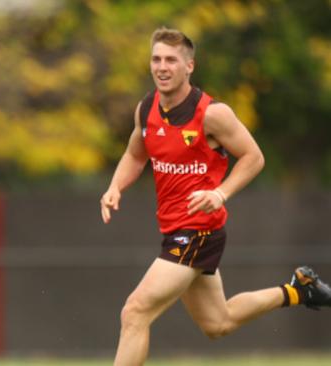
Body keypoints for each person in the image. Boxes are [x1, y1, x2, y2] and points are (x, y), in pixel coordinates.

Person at [100, 27, 331, 366]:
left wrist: (220, 193)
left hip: (198, 230)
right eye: (156, 59)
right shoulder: (146, 108)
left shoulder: (211, 114)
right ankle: (299, 290)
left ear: (189, 66)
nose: (162, 67)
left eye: (171, 60)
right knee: (218, 323)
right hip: (175, 229)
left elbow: (254, 157)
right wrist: (115, 187)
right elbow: (136, 155)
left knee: (135, 312)